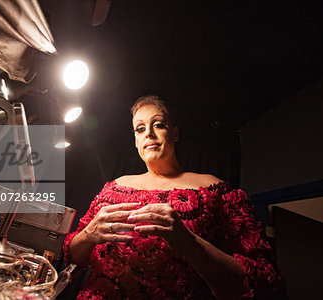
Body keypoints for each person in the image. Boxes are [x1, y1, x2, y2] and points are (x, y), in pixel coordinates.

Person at [63, 95, 285, 299]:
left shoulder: (215, 190)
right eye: (140, 129)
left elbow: (261, 280)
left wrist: (189, 242)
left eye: (158, 124)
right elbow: (73, 257)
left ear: (175, 133)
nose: (148, 133)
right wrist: (88, 234)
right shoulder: (113, 188)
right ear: (135, 141)